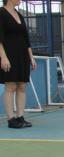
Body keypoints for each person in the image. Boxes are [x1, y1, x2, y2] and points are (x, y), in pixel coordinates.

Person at [0, 0, 37, 128]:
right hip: (9, 55)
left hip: (22, 55)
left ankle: (20, 116)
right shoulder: (1, 13)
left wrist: (31, 57)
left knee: (22, 86)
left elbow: (26, 38)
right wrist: (3, 57)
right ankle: (11, 119)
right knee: (10, 86)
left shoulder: (19, 15)